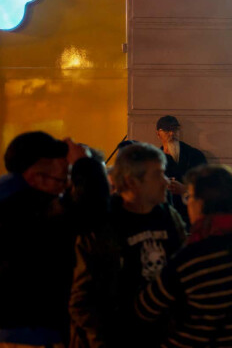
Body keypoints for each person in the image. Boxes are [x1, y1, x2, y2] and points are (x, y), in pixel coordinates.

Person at [0, 131, 93, 347]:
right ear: (37, 177)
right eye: (61, 180)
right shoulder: (29, 209)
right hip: (30, 338)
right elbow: (91, 213)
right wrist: (85, 166)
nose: (64, 188)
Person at [70, 143, 186, 348]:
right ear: (132, 181)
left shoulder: (168, 217)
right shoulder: (103, 225)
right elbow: (83, 300)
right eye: (158, 174)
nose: (166, 181)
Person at [135, 165, 232, 347]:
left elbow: (146, 308)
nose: (188, 204)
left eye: (189, 197)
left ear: (202, 204)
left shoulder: (191, 258)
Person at [155, 115, 207, 224]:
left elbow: (207, 188)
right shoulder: (154, 160)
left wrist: (185, 190)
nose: (172, 133)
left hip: (190, 217)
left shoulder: (194, 155)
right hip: (162, 217)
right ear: (158, 134)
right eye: (167, 130)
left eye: (175, 129)